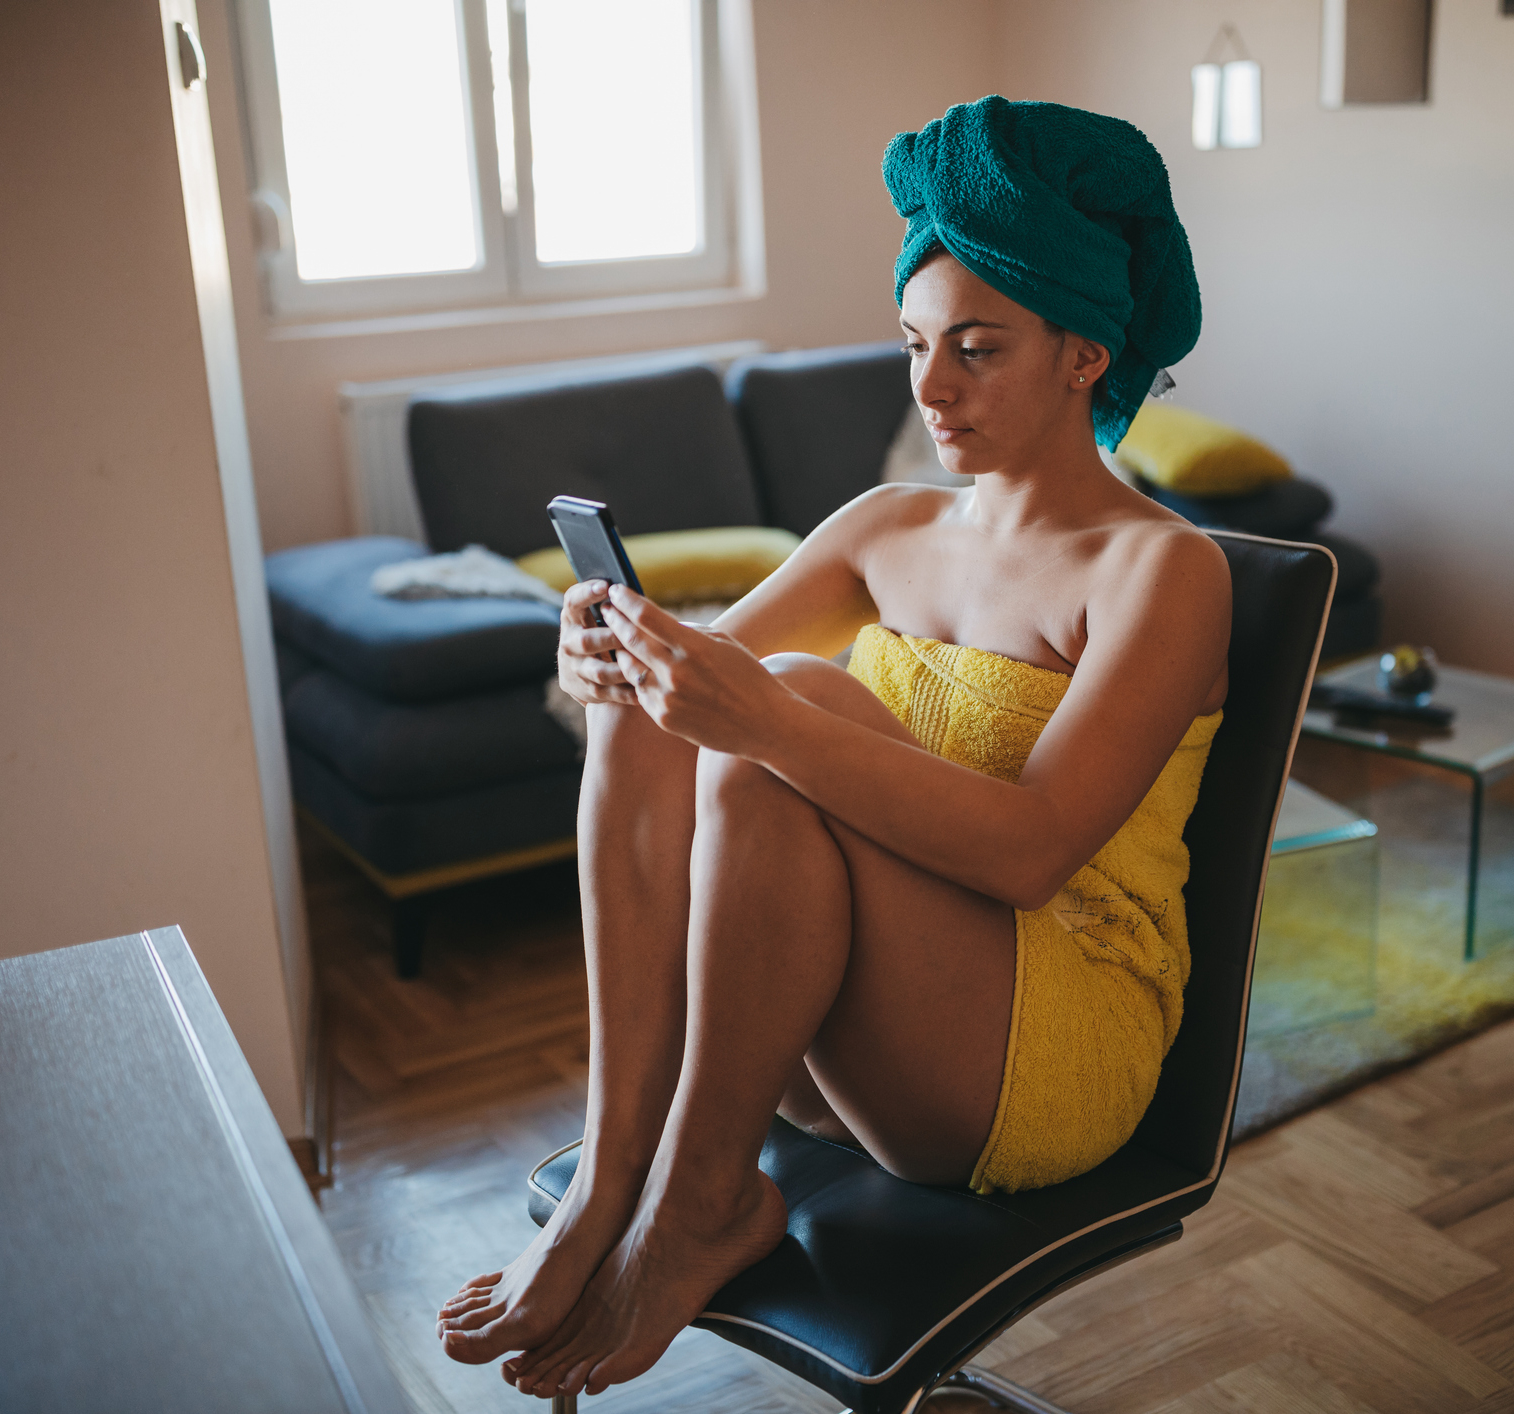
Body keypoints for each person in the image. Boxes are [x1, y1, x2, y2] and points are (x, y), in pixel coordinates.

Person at [434, 95, 1230, 1402]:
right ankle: (614, 1174)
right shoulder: (884, 525)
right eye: (915, 344)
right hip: (844, 1035)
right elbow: (670, 724)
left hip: (1043, 1039)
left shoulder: (1161, 568)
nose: (929, 388)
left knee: (779, 690)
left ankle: (698, 1202)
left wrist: (765, 714)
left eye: (976, 349)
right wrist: (597, 662)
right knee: (668, 692)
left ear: (1084, 352)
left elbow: (1032, 852)